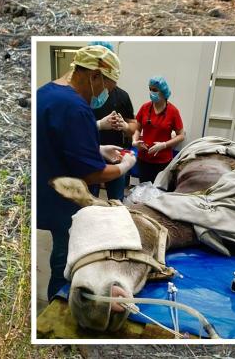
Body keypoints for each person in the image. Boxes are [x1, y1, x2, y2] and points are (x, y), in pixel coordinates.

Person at [36, 45, 137, 302]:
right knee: (66, 260)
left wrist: (97, 148)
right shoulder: (76, 108)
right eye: (108, 87)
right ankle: (57, 312)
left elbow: (58, 142)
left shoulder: (46, 93)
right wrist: (125, 166)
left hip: (46, 193)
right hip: (66, 202)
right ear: (94, 76)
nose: (106, 94)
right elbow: (93, 174)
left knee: (60, 252)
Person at [87, 41, 138, 200]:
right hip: (90, 156)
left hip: (116, 157)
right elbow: (73, 130)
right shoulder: (82, 96)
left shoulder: (121, 96)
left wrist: (125, 127)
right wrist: (99, 125)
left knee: (117, 203)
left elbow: (134, 126)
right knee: (89, 203)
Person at [134, 76, 185, 185]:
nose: (151, 92)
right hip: (144, 159)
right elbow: (137, 129)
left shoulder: (173, 111)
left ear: (163, 92)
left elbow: (181, 135)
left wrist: (164, 145)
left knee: (158, 193)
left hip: (162, 161)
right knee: (144, 191)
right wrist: (134, 141)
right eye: (150, 89)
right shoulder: (145, 108)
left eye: (155, 90)